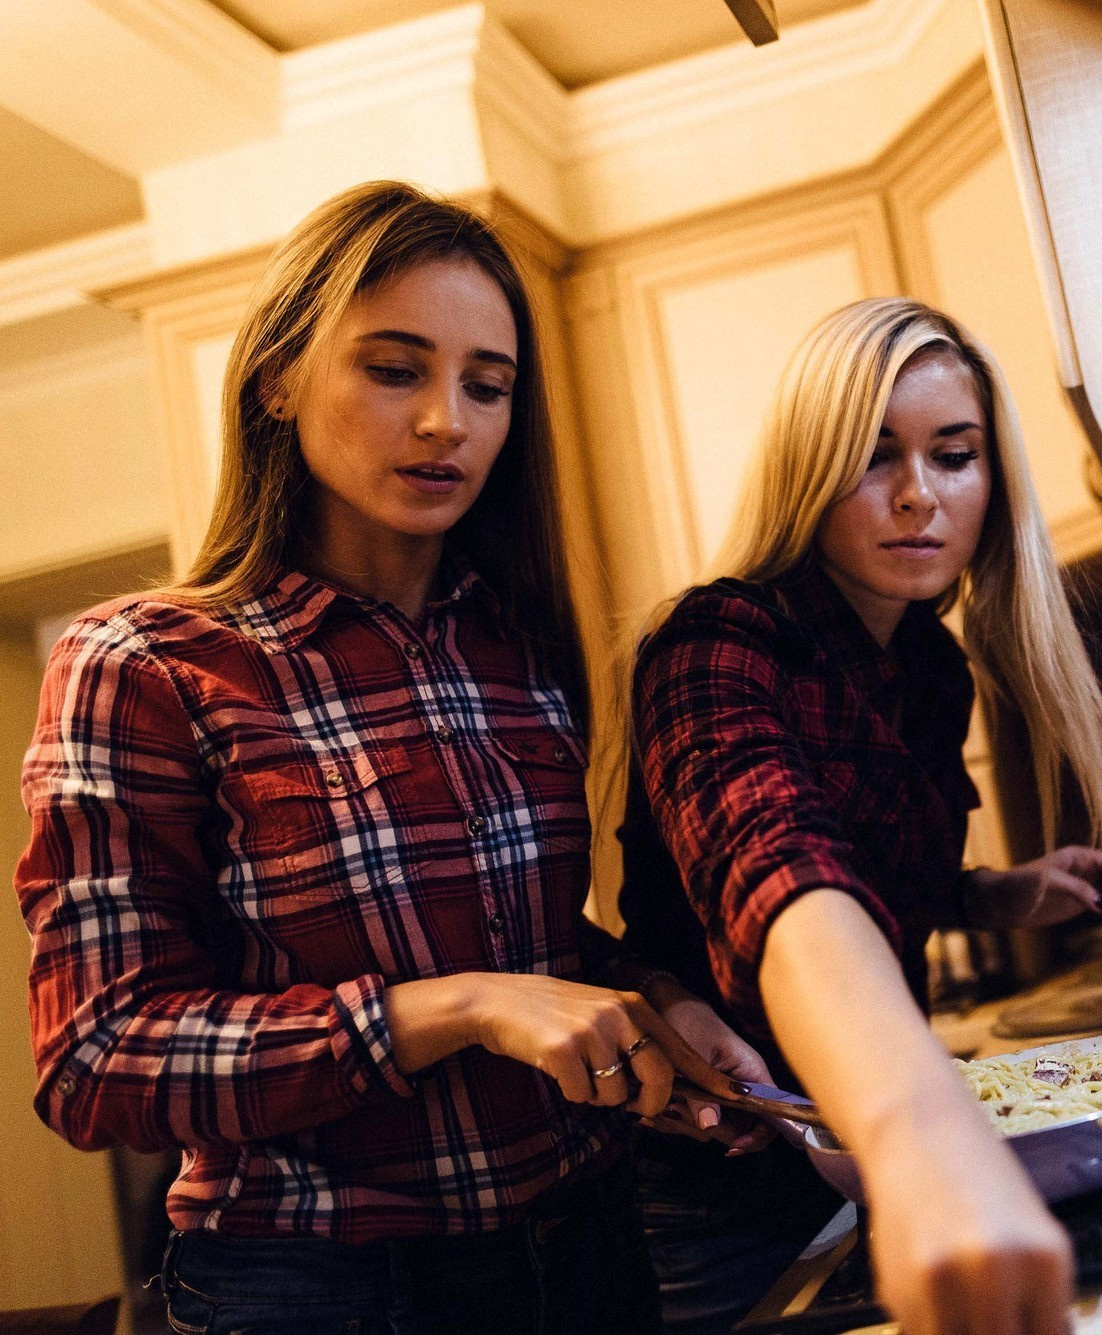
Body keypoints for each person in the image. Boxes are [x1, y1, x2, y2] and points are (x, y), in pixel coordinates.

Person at [15, 180, 766, 1335]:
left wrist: (651, 1003)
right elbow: (96, 1061)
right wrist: (452, 1009)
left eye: (487, 386)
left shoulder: (514, 643)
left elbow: (525, 944)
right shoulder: (145, 663)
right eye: (394, 369)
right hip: (323, 1288)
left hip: (589, 1248)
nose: (445, 422)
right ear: (277, 379)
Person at [620, 297, 1102, 1335]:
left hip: (863, 1165)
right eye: (873, 456)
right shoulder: (715, 642)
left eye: (954, 456)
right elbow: (776, 870)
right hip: (720, 1186)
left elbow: (871, 873)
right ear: (808, 471)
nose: (918, 495)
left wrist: (990, 895)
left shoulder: (932, 669)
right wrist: (921, 1133)